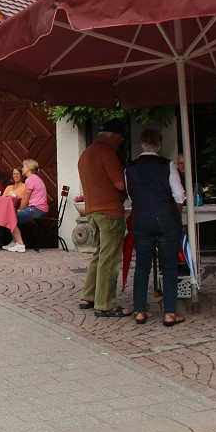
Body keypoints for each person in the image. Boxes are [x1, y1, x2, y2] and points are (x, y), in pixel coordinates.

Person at [125, 129, 185, 327]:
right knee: (169, 265)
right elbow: (179, 195)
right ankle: (169, 313)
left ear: (141, 145)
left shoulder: (129, 168)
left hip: (141, 218)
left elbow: (131, 196)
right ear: (159, 146)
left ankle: (140, 311)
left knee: (142, 264)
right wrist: (174, 213)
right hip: (166, 217)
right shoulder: (167, 164)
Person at [77, 119, 131, 317]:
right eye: (121, 139)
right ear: (115, 136)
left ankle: (88, 296)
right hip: (109, 211)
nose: (120, 143)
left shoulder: (86, 153)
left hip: (92, 211)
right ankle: (105, 303)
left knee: (99, 255)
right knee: (110, 258)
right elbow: (120, 184)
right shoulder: (106, 153)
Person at [3, 160, 49, 253]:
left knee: (11, 217)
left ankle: (20, 244)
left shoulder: (30, 179)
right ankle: (15, 242)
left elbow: (25, 198)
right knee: (12, 216)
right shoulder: (35, 178)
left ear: (28, 168)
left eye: (23, 167)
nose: (22, 169)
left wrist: (20, 210)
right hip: (39, 209)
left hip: (36, 209)